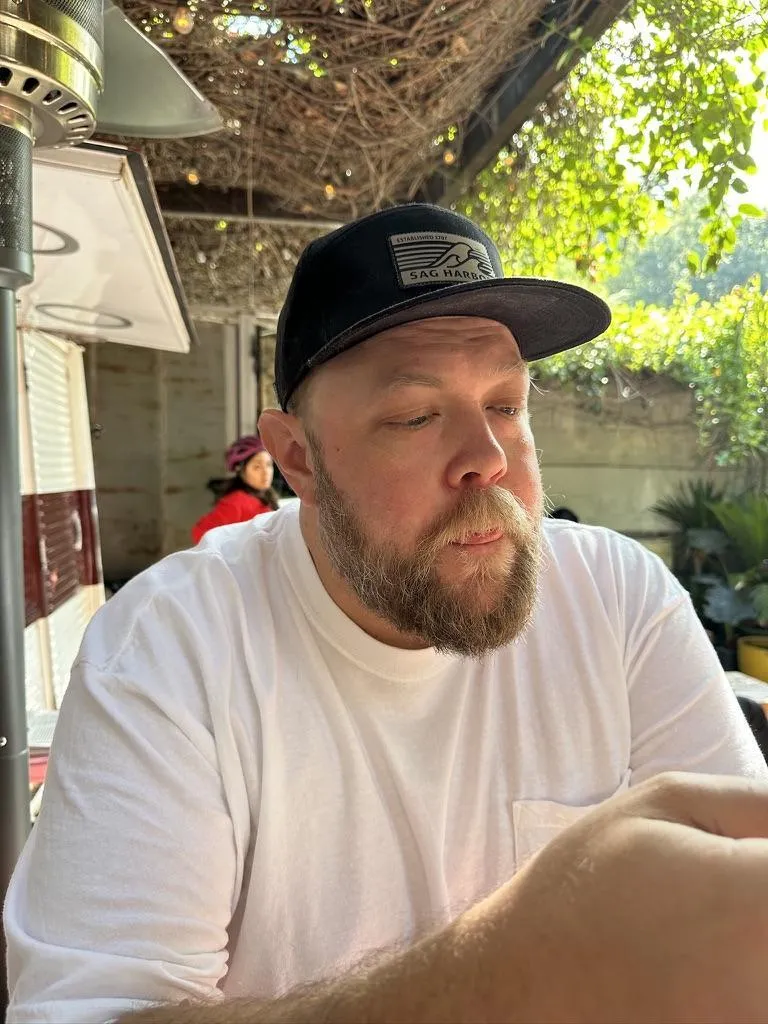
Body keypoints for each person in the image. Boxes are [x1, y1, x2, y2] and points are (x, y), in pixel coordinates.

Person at [5, 203, 768, 1024]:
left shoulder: (616, 598)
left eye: (507, 405)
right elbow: (86, 1012)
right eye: (416, 416)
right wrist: (507, 970)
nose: (488, 460)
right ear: (297, 457)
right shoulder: (172, 647)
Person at [190, 435, 279, 544]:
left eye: (269, 464)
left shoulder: (267, 496)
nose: (266, 472)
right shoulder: (235, 501)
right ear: (241, 471)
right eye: (257, 467)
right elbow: (200, 533)